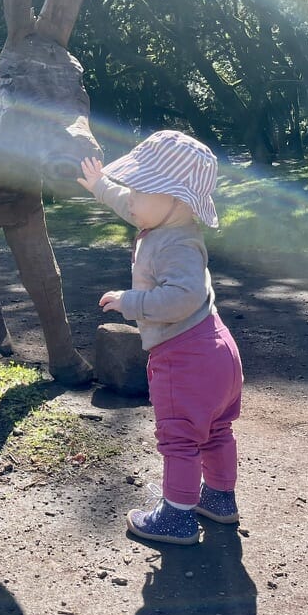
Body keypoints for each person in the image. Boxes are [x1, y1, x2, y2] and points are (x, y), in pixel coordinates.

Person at [78, 130, 243, 545]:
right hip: (217, 350)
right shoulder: (166, 220)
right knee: (217, 430)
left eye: (139, 189)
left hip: (184, 356)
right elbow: (133, 207)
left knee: (179, 436)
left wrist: (131, 301)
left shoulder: (176, 246)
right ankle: (220, 498)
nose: (129, 198)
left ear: (177, 196)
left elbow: (182, 297)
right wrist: (101, 186)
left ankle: (177, 515)